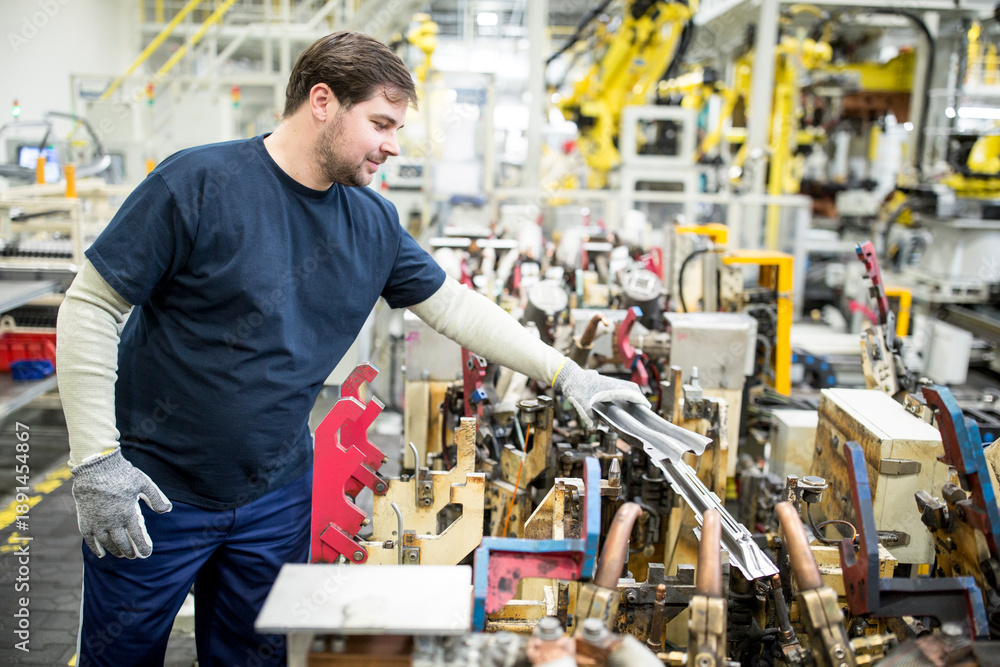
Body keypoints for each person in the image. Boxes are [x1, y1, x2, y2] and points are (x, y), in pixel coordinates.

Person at [57, 31, 646, 667]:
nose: (393, 145)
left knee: (255, 659)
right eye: (381, 123)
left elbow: (454, 307)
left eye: (398, 128)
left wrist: (568, 374)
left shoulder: (371, 221)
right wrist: (96, 460)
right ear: (323, 102)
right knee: (120, 657)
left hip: (274, 497)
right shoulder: (197, 182)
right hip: (152, 491)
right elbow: (91, 305)